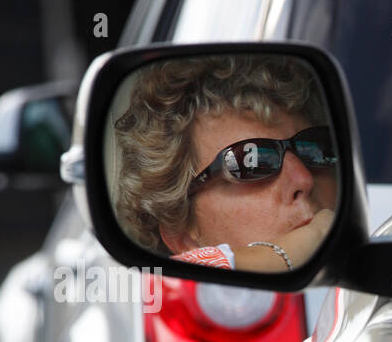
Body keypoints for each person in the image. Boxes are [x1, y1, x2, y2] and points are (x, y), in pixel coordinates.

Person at [112, 55, 338, 272]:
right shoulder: (202, 306)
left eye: (314, 148)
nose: (304, 178)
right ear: (183, 238)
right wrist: (286, 253)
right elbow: (153, 283)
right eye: (252, 163)